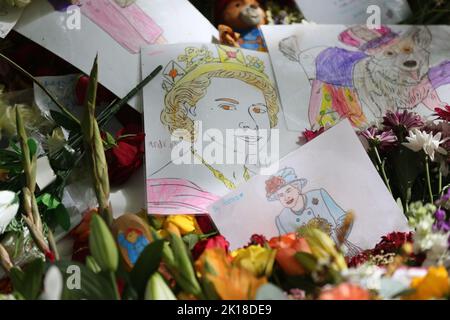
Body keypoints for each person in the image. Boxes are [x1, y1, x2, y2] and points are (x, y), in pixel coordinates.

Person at [265, 167, 361, 256]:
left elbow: (344, 219)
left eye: (288, 190)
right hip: (315, 263)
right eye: (280, 195)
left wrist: (333, 240)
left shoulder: (319, 194)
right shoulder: (282, 219)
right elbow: (287, 248)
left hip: (342, 250)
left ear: (297, 187)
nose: (286, 197)